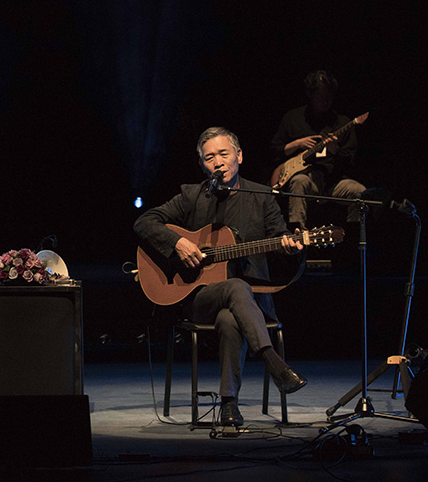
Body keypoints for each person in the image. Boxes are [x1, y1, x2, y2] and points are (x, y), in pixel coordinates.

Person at [134, 127, 307, 428]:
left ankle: (229, 406)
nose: (218, 162)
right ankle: (275, 365)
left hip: (250, 301)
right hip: (198, 298)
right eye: (209, 157)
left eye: (224, 154)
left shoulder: (263, 196)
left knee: (230, 316)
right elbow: (144, 221)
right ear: (202, 164)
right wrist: (177, 242)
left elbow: (280, 241)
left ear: (238, 156)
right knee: (234, 289)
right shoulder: (191, 195)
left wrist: (291, 248)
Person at [270, 70, 366, 231]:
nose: (326, 101)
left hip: (333, 182)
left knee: (361, 194)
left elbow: (351, 161)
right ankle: (298, 237)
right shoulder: (293, 118)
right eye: (321, 97)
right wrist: (297, 144)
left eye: (329, 97)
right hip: (308, 181)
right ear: (310, 95)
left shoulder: (342, 123)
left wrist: (335, 151)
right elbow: (274, 151)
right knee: (299, 182)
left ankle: (353, 239)